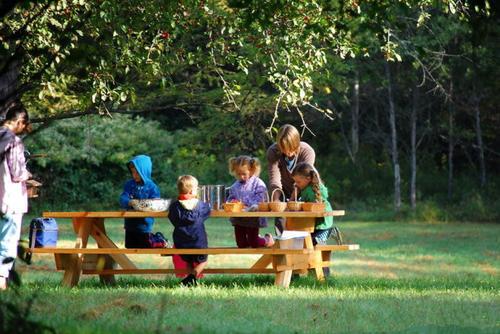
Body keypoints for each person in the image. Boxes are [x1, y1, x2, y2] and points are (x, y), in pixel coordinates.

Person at [0, 103, 31, 290]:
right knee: (7, 242)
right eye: (24, 125)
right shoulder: (13, 141)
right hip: (9, 200)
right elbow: (18, 173)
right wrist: (28, 174)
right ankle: (1, 281)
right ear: (19, 122)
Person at [266, 124, 315, 233]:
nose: (287, 152)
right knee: (281, 227)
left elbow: (303, 180)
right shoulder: (273, 152)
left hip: (304, 193)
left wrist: (293, 201)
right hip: (283, 192)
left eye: (290, 148)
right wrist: (276, 201)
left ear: (296, 143)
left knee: (305, 230)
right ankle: (283, 246)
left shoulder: (307, 151)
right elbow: (275, 178)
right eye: (284, 148)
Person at [168, 175, 211, 286]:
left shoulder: (175, 206)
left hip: (181, 241)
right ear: (192, 191)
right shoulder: (200, 205)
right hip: (198, 240)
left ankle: (189, 279)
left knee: (188, 260)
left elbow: (172, 218)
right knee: (204, 260)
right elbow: (207, 212)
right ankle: (193, 276)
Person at [227, 155, 274, 248]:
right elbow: (231, 198)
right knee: (241, 244)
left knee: (254, 243)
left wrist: (250, 206)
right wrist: (231, 203)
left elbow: (261, 199)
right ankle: (253, 239)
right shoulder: (235, 186)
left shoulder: (258, 184)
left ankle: (267, 240)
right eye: (238, 174)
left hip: (252, 217)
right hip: (239, 218)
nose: (241, 176)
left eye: (244, 174)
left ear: (252, 170)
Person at [291, 162, 342, 246]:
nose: (296, 184)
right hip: (316, 224)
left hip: (322, 224)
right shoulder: (314, 187)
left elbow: (305, 206)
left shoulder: (309, 191)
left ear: (308, 179)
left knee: (312, 242)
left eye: (298, 182)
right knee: (308, 243)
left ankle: (331, 231)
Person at [119, 154, 163, 248]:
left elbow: (156, 204)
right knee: (130, 248)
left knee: (145, 248)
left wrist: (147, 205)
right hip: (130, 226)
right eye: (132, 172)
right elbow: (123, 198)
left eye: (137, 173)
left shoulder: (152, 187)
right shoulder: (129, 185)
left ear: (144, 171)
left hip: (144, 227)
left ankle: (160, 241)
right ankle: (126, 263)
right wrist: (129, 202)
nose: (134, 175)